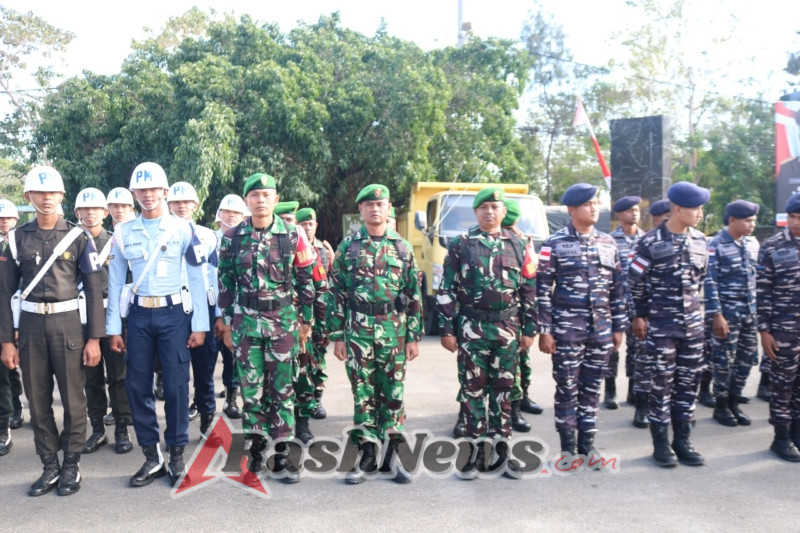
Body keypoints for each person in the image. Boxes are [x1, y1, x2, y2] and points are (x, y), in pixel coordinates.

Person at [0, 166, 105, 496]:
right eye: (39, 193)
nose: (46, 199)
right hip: (30, 328)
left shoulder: (78, 236)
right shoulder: (15, 240)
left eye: (53, 193)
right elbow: (3, 295)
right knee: (37, 400)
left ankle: (71, 465)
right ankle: (49, 465)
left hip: (68, 326)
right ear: (28, 197)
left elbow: (93, 290)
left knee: (75, 400)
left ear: (62, 196)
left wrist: (94, 339)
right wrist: (6, 341)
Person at [106, 162, 209, 487]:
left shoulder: (182, 228)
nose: (148, 195)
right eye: (141, 190)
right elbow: (114, 282)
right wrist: (112, 328)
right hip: (138, 317)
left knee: (177, 386)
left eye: (154, 190)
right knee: (136, 386)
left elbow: (195, 276)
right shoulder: (123, 233)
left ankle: (176, 454)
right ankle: (152, 456)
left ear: (165, 192)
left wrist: (201, 324)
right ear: (134, 194)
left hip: (174, 315)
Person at [217, 173, 315, 484]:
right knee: (252, 393)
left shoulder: (293, 234)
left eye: (266, 194)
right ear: (246, 201)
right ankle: (257, 452)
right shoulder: (232, 237)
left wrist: (306, 321)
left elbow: (305, 279)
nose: (261, 200)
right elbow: (225, 282)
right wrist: (226, 322)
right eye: (255, 194)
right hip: (246, 326)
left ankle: (283, 455)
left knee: (283, 391)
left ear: (275, 198)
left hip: (283, 324)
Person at [437, 187, 535, 480]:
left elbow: (529, 289)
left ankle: (503, 455)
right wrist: (447, 329)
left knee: (504, 393)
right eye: (484, 207)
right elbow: (447, 289)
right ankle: (473, 455)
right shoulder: (460, 244)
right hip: (472, 330)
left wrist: (530, 329)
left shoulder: (520, 244)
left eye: (495, 207)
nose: (489, 212)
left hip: (508, 330)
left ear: (503, 212)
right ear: (476, 212)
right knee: (473, 393)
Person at [328, 183, 422, 484]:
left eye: (380, 204)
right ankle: (367, 456)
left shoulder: (402, 247)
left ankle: (394, 458)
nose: (374, 208)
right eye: (368, 204)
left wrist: (413, 337)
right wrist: (338, 336)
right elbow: (336, 293)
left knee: (393, 394)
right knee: (363, 395)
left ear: (388, 208)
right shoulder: (348, 247)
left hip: (393, 331)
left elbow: (413, 295)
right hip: (358, 332)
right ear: (361, 210)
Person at [537, 184, 626, 462]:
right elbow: (542, 289)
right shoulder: (554, 243)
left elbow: (618, 288)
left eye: (597, 203)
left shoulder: (608, 243)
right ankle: (567, 447)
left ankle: (588, 444)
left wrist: (619, 327)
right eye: (589, 204)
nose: (594, 208)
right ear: (573, 209)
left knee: (591, 388)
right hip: (567, 330)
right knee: (566, 387)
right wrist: (545, 330)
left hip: (600, 330)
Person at [629, 181, 710, 468]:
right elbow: (635, 285)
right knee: (661, 385)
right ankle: (661, 444)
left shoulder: (701, 241)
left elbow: (701, 283)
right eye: (695, 208)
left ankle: (683, 440)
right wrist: (639, 316)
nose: (700, 213)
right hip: (661, 327)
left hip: (693, 327)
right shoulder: (649, 243)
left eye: (701, 208)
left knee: (688, 385)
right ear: (678, 209)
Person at [74, 188, 133, 455]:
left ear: (105, 212)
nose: (90, 213)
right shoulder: (72, 242)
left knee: (118, 376)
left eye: (96, 209)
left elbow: (130, 281)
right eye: (84, 209)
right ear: (77, 213)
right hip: (82, 316)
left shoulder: (117, 241)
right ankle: (97, 430)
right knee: (90, 377)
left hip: (113, 315)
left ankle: (122, 429)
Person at [167, 182, 221, 440]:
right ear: (168, 205)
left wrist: (219, 314)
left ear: (195, 205)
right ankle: (177, 429)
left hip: (203, 307)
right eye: (176, 202)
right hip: (174, 308)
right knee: (175, 371)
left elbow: (215, 276)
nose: (181, 206)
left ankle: (207, 418)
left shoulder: (207, 236)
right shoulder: (162, 234)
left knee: (204, 368)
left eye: (186, 202)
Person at [704, 200, 760, 428]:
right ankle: (721, 405)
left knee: (745, 361)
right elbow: (710, 282)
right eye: (747, 221)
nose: (751, 225)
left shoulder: (749, 244)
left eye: (754, 221)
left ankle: (734, 401)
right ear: (733, 220)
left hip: (749, 314)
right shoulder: (715, 245)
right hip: (727, 316)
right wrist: (717, 314)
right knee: (723, 362)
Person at [756, 193, 800, 462]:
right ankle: (780, 437)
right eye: (793, 217)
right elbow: (762, 292)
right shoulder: (772, 246)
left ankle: (797, 433)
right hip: (783, 329)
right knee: (783, 384)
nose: (796, 222)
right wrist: (765, 331)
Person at [274, 200, 320, 443]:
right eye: (286, 220)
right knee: (277, 380)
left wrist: (312, 323)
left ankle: (302, 425)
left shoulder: (305, 249)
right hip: (275, 324)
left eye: (292, 220)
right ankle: (279, 428)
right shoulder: (269, 244)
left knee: (303, 374)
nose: (292, 225)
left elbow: (316, 284)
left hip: (300, 323)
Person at [502, 198, 542, 433]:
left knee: (520, 362)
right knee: (512, 366)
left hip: (516, 313)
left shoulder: (523, 241)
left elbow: (530, 280)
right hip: (504, 316)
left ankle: (520, 401)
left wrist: (530, 321)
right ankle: (513, 409)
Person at [608, 196, 648, 427]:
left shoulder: (646, 240)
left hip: (639, 305)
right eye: (629, 211)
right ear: (619, 215)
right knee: (612, 349)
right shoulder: (610, 240)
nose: (634, 213)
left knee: (639, 348)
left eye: (636, 210)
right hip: (616, 303)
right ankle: (610, 390)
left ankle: (634, 389)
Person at [296, 207, 335, 420]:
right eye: (303, 224)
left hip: (320, 310)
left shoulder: (324, 249)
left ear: (316, 226)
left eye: (311, 224)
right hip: (301, 311)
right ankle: (304, 399)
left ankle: (318, 397)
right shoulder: (293, 246)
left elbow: (330, 281)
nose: (308, 228)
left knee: (319, 356)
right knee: (303, 357)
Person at [213, 194, 246, 420]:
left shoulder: (247, 240)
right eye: (227, 211)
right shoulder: (207, 238)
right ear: (219, 215)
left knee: (232, 358)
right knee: (203, 360)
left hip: (235, 310)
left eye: (236, 212)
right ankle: (199, 402)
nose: (231, 215)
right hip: (207, 308)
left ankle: (231, 400)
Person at [0, 199, 19, 456]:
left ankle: (5, 422)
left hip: (7, 314)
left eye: (7, 218)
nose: (4, 222)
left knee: (6, 372)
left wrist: (15, 324)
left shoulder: (18, 244)